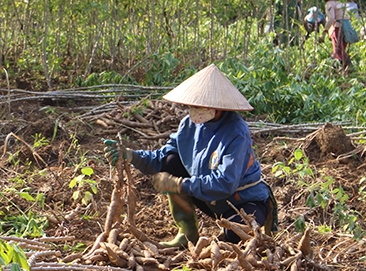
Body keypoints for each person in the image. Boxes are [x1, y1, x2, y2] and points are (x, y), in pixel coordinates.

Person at [104, 64, 277, 249]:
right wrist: (131, 155)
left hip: (242, 201)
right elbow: (161, 158)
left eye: (200, 105)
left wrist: (180, 184)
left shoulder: (237, 132)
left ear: (217, 106)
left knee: (236, 233)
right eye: (193, 104)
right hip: (210, 199)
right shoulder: (189, 125)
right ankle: (187, 233)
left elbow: (225, 183)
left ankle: (225, 241)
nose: (194, 109)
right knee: (171, 161)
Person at [318, 0, 351, 71]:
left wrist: (324, 32)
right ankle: (341, 70)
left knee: (338, 51)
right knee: (340, 50)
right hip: (345, 28)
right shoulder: (340, 2)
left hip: (337, 28)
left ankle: (347, 65)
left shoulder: (329, 4)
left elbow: (331, 18)